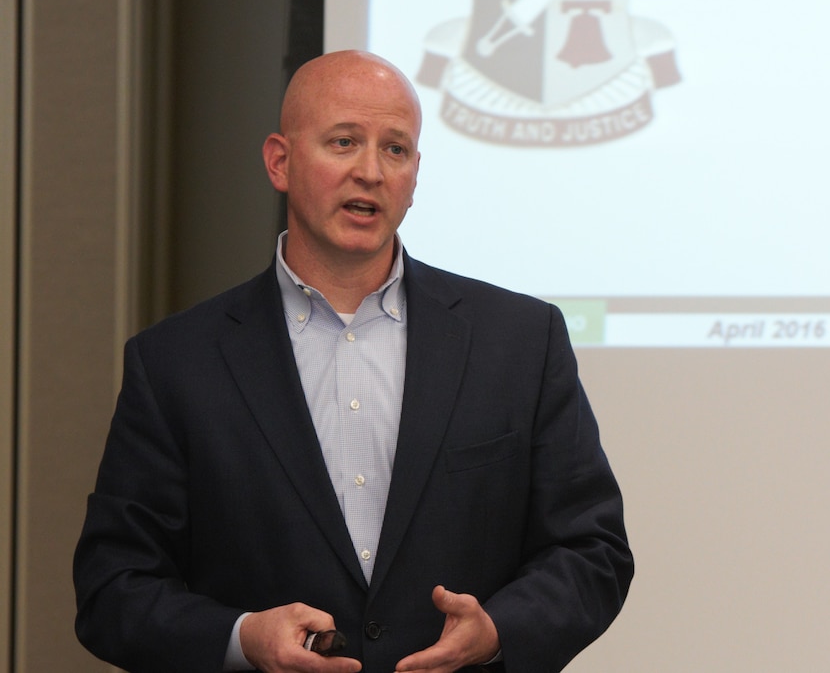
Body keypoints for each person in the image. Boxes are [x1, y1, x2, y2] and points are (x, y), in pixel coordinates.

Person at [73, 50, 633, 673]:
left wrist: (500, 630)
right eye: (344, 142)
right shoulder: (176, 362)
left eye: (395, 150)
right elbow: (112, 588)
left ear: (416, 174)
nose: (370, 171)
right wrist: (242, 638)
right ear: (280, 162)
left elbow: (593, 550)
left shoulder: (522, 341)